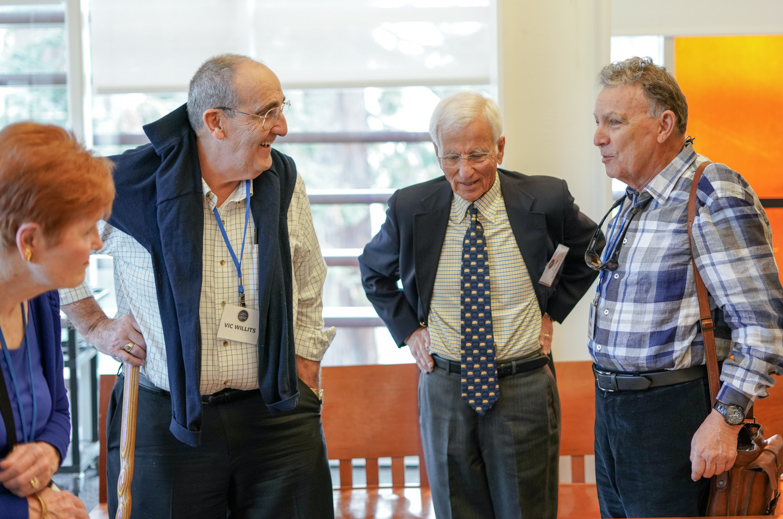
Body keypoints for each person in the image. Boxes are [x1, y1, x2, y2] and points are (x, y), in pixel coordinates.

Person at [60, 54, 336, 518]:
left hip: (275, 415)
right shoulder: (128, 185)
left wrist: (306, 368)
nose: (283, 126)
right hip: (166, 420)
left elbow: (308, 278)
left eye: (281, 108)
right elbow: (46, 247)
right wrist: (94, 325)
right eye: (268, 112)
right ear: (216, 122)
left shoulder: (282, 180)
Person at [359, 91, 601, 519]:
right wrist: (410, 331)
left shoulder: (544, 200)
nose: (464, 171)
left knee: (526, 510)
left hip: (523, 383)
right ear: (436, 153)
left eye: (477, 154)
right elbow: (373, 273)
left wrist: (552, 311)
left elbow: (590, 251)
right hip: (445, 384)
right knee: (456, 508)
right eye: (451, 157)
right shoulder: (411, 206)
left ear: (500, 148)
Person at [589, 56, 783, 518]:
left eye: (614, 122)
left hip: (676, 416)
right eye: (597, 122)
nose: (598, 137)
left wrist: (725, 421)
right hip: (615, 415)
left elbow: (767, 334)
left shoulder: (711, 191)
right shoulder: (633, 201)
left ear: (664, 125)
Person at [0, 122, 115, 518]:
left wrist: (47, 452)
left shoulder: (42, 296)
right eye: (86, 230)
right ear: (29, 241)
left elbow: (57, 414)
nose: (97, 244)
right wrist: (26, 512)